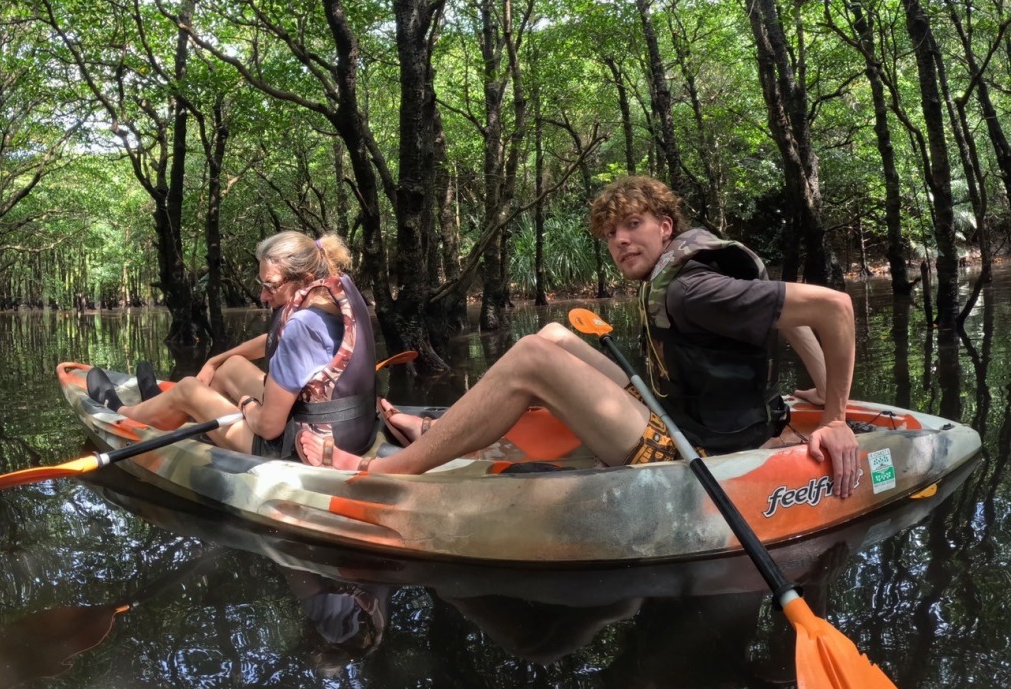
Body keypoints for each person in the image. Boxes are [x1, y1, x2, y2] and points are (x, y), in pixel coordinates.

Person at [297, 176, 860, 498]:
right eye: (611, 234)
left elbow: (834, 307)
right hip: (684, 411)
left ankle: (383, 470)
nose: (620, 242)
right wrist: (819, 387)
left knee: (532, 357)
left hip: (697, 446)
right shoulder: (694, 258)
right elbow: (788, 311)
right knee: (553, 333)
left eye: (633, 226)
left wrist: (835, 419)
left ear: (665, 227)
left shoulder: (692, 289)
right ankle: (448, 429)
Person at [86, 231, 377, 459]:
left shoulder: (302, 325)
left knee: (188, 387)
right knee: (232, 367)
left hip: (301, 447)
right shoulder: (332, 301)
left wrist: (247, 404)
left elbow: (268, 427)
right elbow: (275, 342)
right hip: (353, 433)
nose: (262, 296)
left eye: (270, 285)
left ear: (305, 279)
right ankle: (168, 407)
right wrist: (215, 360)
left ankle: (122, 411)